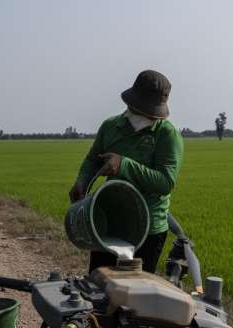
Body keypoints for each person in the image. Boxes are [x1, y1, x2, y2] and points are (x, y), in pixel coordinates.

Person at [69, 70, 184, 273]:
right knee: (99, 285)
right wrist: (82, 180)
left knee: (136, 297)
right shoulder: (111, 126)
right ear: (131, 102)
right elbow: (92, 160)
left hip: (147, 229)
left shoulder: (167, 135)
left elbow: (166, 182)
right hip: (107, 224)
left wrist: (123, 165)